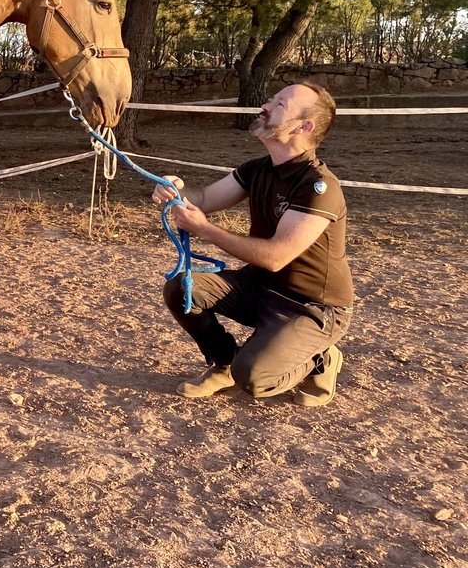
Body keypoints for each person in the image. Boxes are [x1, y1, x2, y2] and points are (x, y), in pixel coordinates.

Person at [151, 82, 354, 406]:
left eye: (280, 104)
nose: (266, 106)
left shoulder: (318, 187)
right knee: (182, 288)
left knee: (256, 379)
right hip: (261, 287)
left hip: (311, 306)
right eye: (272, 99)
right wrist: (175, 190)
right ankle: (224, 363)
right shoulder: (257, 169)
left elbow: (276, 257)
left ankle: (322, 358)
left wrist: (205, 229)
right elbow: (203, 198)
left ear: (304, 127)